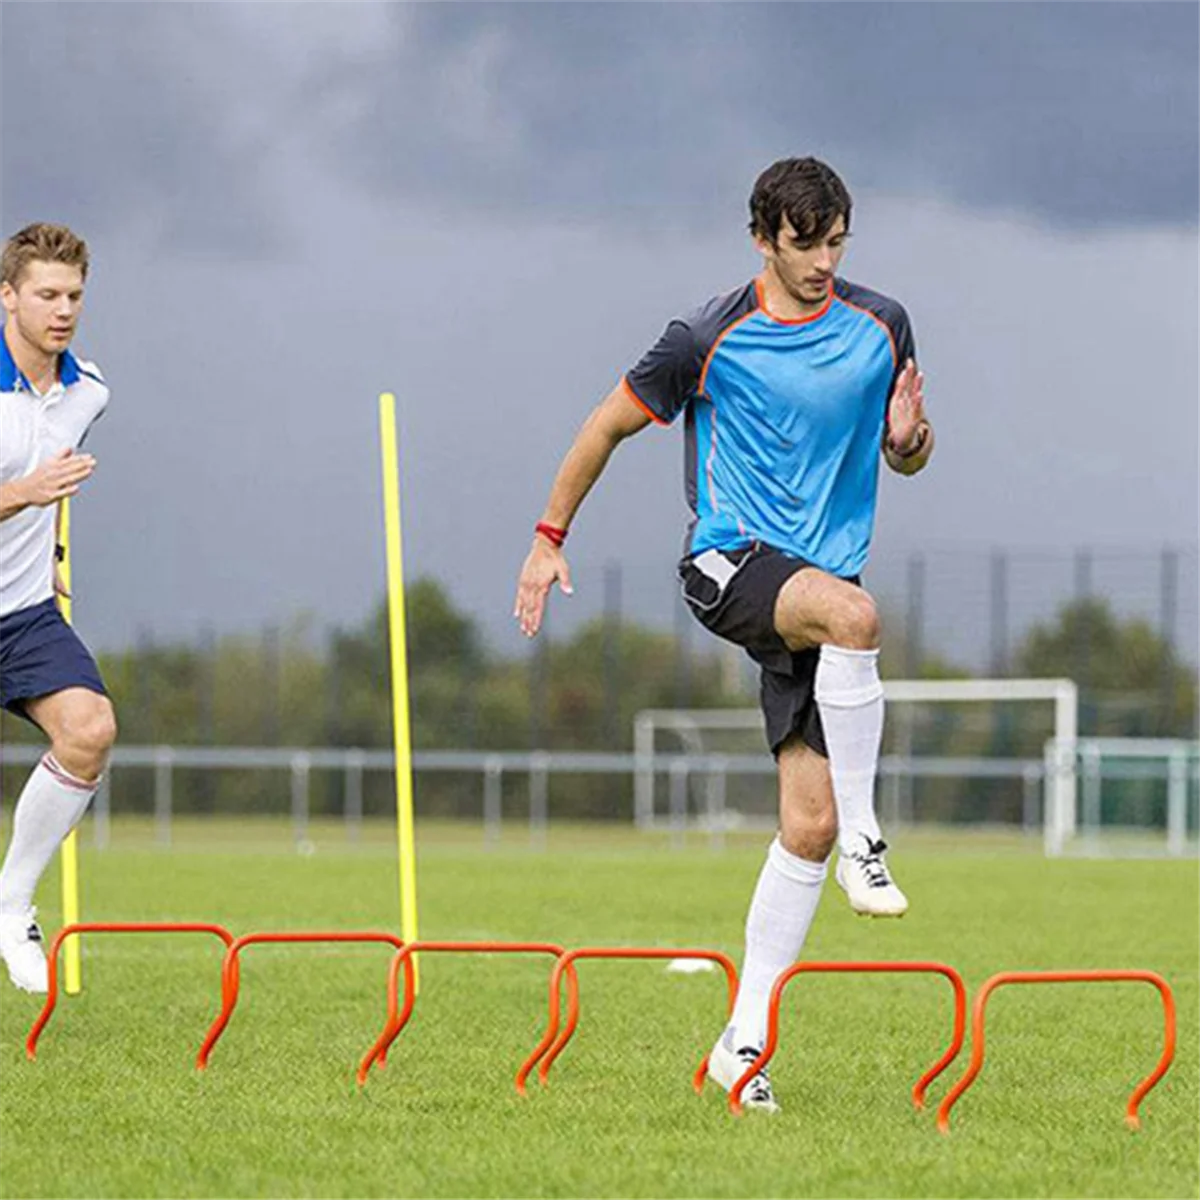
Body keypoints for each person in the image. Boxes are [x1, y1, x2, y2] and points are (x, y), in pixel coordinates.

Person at [513, 158, 934, 1111]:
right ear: (762, 239)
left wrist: (909, 442)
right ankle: (875, 838)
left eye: (836, 242)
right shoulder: (705, 335)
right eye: (804, 243)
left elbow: (908, 454)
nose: (824, 261)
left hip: (816, 592)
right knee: (858, 617)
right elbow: (604, 428)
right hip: (729, 563)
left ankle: (739, 1051)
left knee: (805, 826)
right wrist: (547, 540)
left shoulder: (884, 326)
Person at [0, 223, 115, 993]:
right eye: (46, 294)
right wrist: (22, 495)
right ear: (8, 296)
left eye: (73, 295)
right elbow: (36, 482)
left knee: (91, 731)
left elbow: (58, 477)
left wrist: (56, 549)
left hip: (25, 615)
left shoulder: (89, 391)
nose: (63, 309)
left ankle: (10, 908)